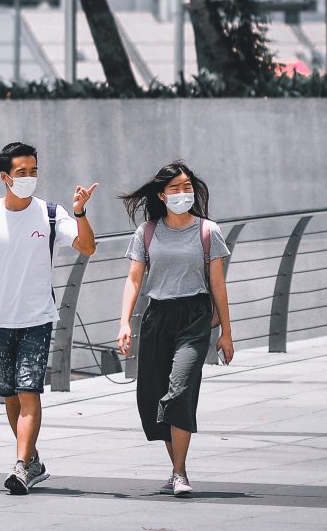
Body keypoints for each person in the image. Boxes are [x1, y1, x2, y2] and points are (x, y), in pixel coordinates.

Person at [0, 142, 97, 495]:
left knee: (28, 391)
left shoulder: (50, 213)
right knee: (11, 396)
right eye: (21, 172)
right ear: (5, 177)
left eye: (33, 171)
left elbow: (87, 247)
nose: (29, 177)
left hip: (37, 318)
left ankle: (19, 467)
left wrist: (80, 213)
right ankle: (33, 461)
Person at [117, 160, 234, 497]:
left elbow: (218, 283)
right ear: (162, 195)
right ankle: (176, 469)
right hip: (157, 316)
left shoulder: (208, 231)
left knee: (179, 390)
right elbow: (134, 279)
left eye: (187, 187)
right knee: (155, 396)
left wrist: (226, 333)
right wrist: (124, 322)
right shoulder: (147, 232)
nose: (183, 193)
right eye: (175, 188)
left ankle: (180, 473)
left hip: (195, 316)